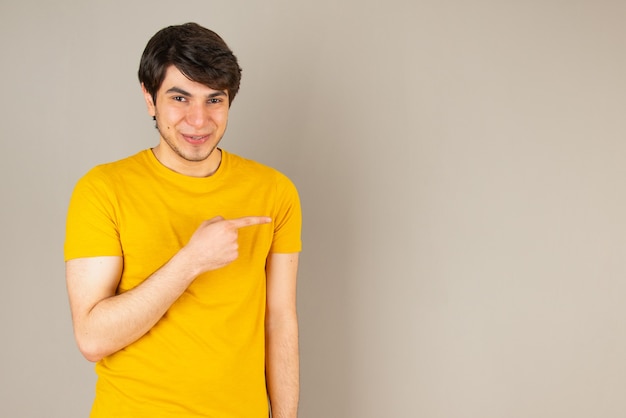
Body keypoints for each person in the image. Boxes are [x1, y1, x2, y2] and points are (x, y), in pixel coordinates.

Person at [64, 22, 301, 418]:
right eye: (180, 97)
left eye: (214, 100)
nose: (199, 120)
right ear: (149, 98)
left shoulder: (274, 191)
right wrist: (190, 262)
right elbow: (92, 338)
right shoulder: (102, 190)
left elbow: (279, 321)